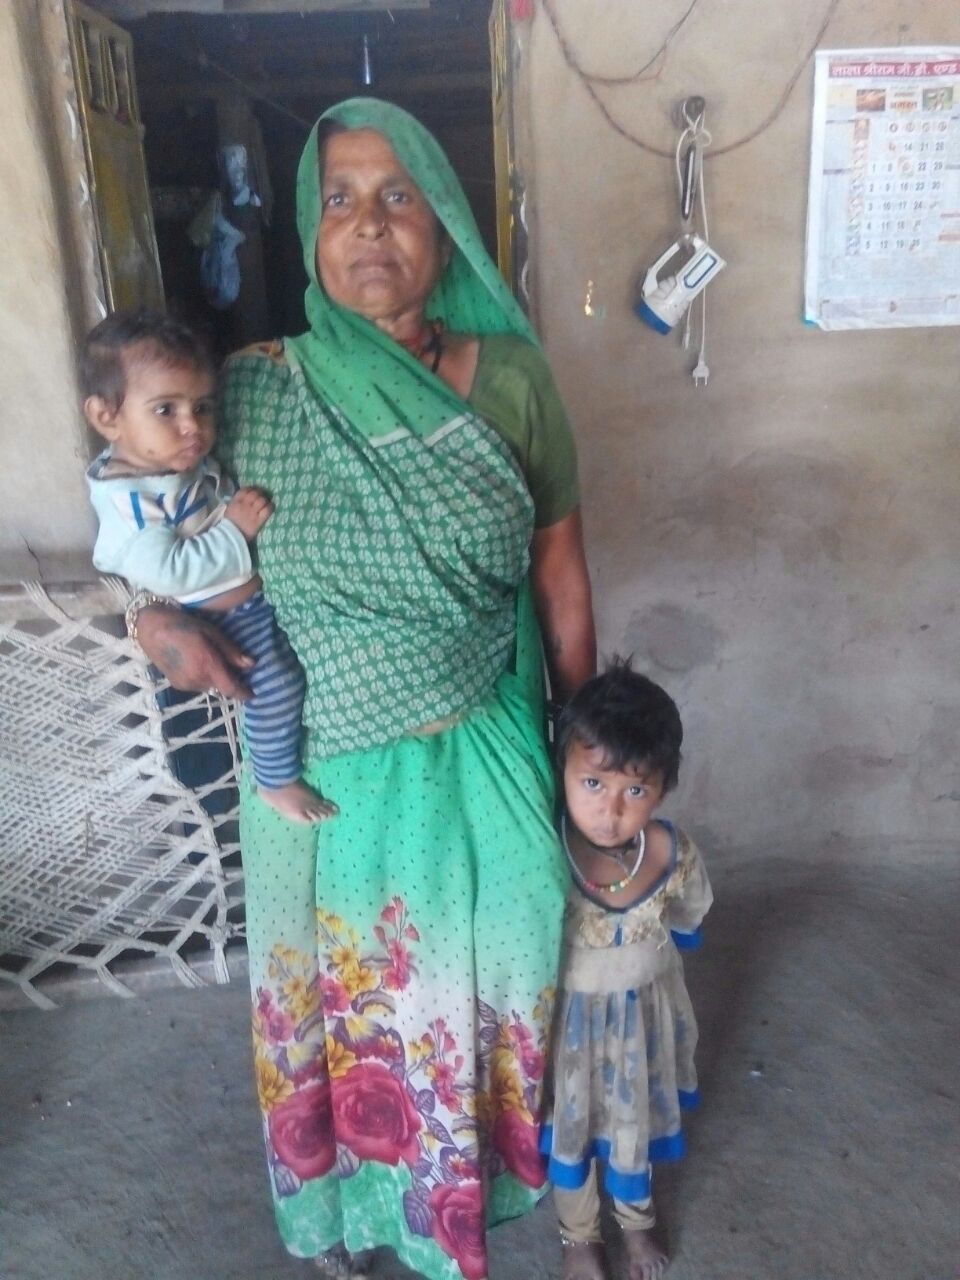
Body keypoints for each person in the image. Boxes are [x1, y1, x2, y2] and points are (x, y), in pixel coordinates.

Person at [128, 98, 596, 1280]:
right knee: (340, 999)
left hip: (480, 736)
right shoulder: (251, 390)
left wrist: (584, 752)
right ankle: (340, 1212)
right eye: (339, 198)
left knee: (485, 974)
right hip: (317, 765)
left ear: (444, 228)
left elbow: (560, 569)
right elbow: (144, 526)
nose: (368, 224)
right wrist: (152, 619)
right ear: (309, 228)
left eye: (399, 196)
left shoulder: (519, 381)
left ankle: (461, 1200)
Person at [82, 309, 334, 824]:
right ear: (107, 417)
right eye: (165, 410)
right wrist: (235, 529)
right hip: (224, 622)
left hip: (249, 601)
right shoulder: (132, 503)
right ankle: (276, 780)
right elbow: (172, 572)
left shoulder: (164, 466)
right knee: (275, 686)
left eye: (202, 406)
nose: (192, 426)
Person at [542, 662, 712, 1280]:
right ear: (561, 771)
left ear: (662, 790)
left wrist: (678, 946)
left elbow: (692, 905)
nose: (610, 810)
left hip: (643, 1020)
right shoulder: (546, 851)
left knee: (632, 1119)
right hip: (569, 1029)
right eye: (592, 783)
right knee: (573, 1127)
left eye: (634, 791)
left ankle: (637, 1221)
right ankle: (579, 1236)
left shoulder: (671, 851)